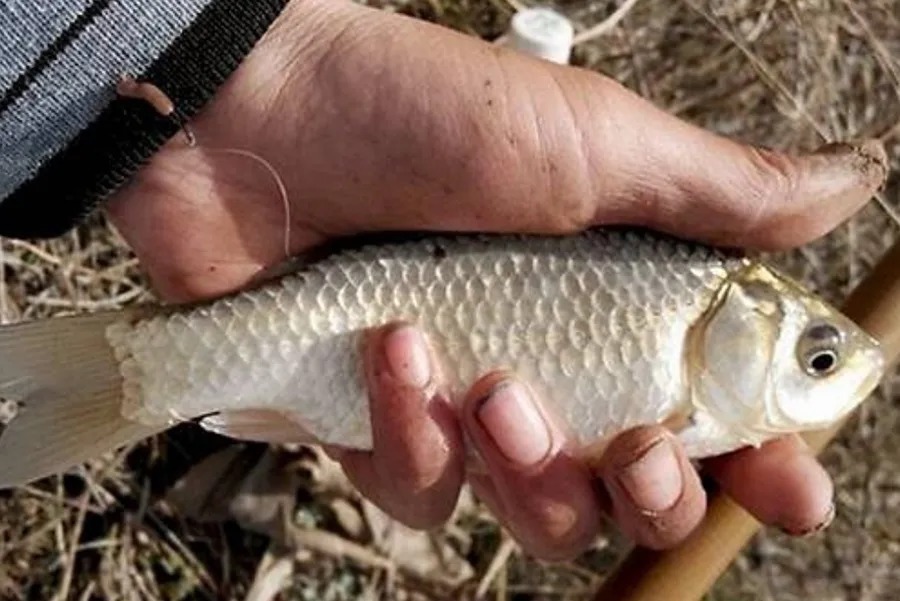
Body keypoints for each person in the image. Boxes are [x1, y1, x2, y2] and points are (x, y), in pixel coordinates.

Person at [0, 0, 887, 560]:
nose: (827, 370)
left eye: (818, 359)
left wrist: (210, 63)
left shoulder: (695, 344)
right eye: (816, 355)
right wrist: (238, 68)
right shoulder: (690, 300)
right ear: (737, 319)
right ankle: (131, 368)